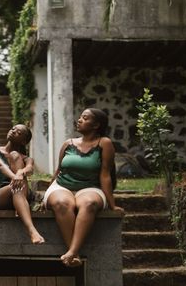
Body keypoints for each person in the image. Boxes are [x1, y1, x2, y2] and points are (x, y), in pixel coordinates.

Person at [44, 108, 124, 267]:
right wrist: (46, 194)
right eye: (80, 117)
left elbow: (105, 174)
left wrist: (112, 205)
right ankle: (74, 253)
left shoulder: (104, 143)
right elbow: (58, 171)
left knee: (88, 204)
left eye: (85, 118)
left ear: (96, 125)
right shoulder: (68, 143)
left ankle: (72, 252)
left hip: (90, 187)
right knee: (61, 204)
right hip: (62, 185)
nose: (79, 120)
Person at [0, 124, 45, 244]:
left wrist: (20, 172)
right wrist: (15, 177)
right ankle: (31, 229)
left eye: (18, 132)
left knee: (15, 156)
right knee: (16, 186)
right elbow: (0, 165)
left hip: (20, 190)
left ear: (23, 141)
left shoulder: (26, 158)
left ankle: (22, 210)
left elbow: (30, 169)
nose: (13, 131)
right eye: (13, 129)